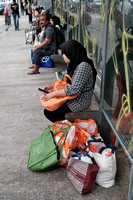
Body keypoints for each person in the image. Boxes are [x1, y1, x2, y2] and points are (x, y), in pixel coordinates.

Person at [41, 40, 97, 123]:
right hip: (73, 97)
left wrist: (53, 94)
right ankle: (65, 127)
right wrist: (53, 88)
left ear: (72, 53)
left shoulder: (83, 66)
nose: (63, 56)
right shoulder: (74, 62)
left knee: (50, 112)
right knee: (50, 108)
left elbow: (73, 90)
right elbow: (65, 79)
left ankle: (68, 128)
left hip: (79, 101)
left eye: (65, 53)